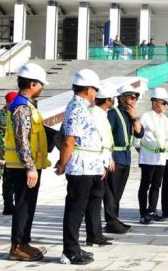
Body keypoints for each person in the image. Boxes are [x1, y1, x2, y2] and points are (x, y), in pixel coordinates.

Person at [55, 69, 103, 266]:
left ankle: (74, 246)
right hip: (80, 167)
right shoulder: (76, 107)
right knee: (75, 209)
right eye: (95, 90)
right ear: (88, 89)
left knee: (80, 208)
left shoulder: (83, 107)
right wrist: (62, 163)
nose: (95, 95)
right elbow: (69, 141)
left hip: (89, 166)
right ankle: (69, 250)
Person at [4, 63, 50, 261]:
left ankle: (24, 242)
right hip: (24, 166)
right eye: (41, 84)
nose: (42, 88)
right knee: (23, 205)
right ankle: (17, 246)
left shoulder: (26, 104)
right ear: (32, 83)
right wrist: (30, 167)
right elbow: (21, 138)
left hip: (29, 164)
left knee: (28, 205)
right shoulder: (22, 106)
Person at [103, 84, 145, 234]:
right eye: (131, 97)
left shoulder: (130, 114)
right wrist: (108, 158)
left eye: (136, 98)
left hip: (126, 158)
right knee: (111, 192)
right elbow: (106, 136)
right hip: (115, 157)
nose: (134, 100)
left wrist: (134, 117)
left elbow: (140, 134)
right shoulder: (113, 114)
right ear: (122, 99)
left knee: (118, 192)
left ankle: (115, 218)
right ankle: (111, 221)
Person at [88, 81, 117, 246]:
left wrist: (109, 158)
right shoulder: (95, 114)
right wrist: (102, 163)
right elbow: (96, 141)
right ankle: (94, 235)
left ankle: (96, 234)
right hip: (96, 163)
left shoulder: (101, 114)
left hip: (102, 160)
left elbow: (106, 140)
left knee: (97, 199)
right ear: (107, 99)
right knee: (94, 200)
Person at [136, 87, 168, 224]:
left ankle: (152, 210)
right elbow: (137, 140)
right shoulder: (145, 116)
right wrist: (144, 153)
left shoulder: (165, 119)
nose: (166, 106)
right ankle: (143, 213)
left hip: (161, 158)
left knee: (156, 185)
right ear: (155, 102)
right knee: (145, 185)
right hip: (148, 158)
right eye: (164, 103)